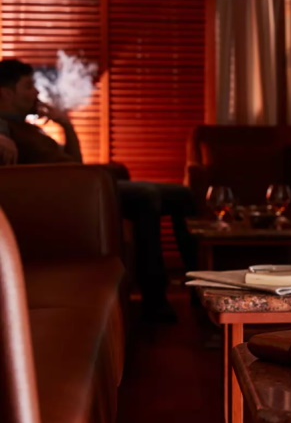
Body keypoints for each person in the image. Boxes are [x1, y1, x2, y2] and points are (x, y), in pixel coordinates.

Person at [0, 58, 197, 323]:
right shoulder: (5, 126)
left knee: (182, 195)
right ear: (6, 93)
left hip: (83, 187)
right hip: (66, 198)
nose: (36, 92)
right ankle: (155, 298)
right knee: (146, 196)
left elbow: (76, 165)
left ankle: (198, 287)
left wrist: (65, 124)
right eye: (28, 86)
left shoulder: (29, 127)